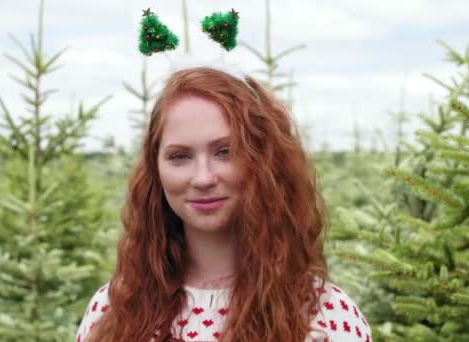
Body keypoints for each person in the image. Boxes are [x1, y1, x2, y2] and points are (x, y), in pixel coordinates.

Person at [76, 65, 372, 342]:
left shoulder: (325, 317)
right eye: (180, 156)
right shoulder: (113, 312)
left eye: (225, 152)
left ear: (262, 162)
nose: (203, 178)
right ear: (156, 170)